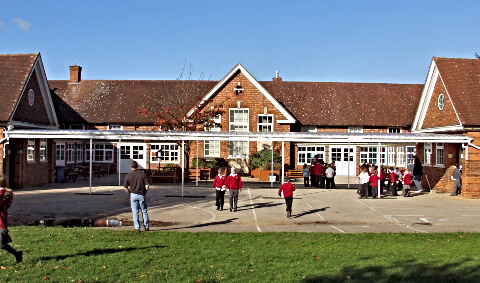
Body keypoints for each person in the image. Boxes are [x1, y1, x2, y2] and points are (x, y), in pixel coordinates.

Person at [0, 176, 22, 263]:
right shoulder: (3, 193)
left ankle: (17, 254)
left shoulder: (1, 194)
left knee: (2, 245)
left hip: (1, 223)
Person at [124, 160, 150, 232]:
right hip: (141, 194)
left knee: (135, 211)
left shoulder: (128, 176)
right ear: (137, 166)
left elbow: (125, 187)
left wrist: (130, 193)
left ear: (130, 167)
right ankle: (146, 226)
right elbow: (147, 186)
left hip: (133, 194)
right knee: (144, 210)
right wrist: (145, 192)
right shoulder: (143, 175)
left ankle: (137, 227)